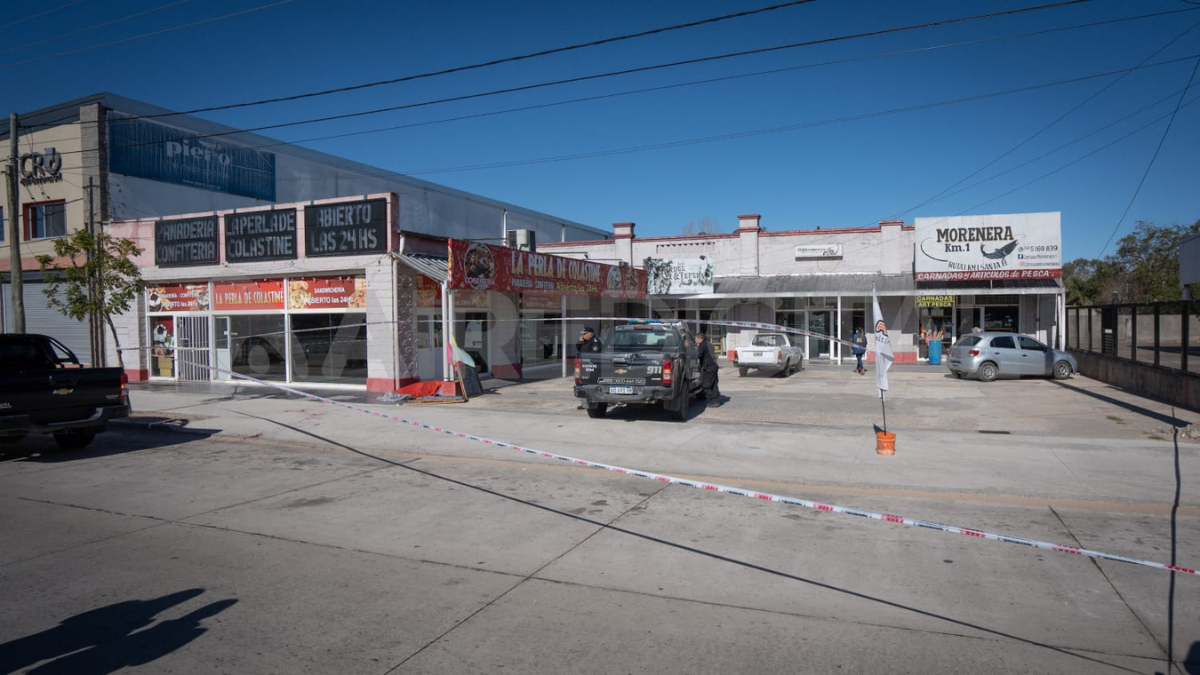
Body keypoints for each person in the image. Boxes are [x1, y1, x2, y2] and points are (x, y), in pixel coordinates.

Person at [695, 332, 722, 407]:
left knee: (705, 385)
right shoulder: (708, 344)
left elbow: (698, 355)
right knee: (714, 384)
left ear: (700, 339)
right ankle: (716, 400)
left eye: (696, 338)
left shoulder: (702, 345)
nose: (696, 340)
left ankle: (713, 399)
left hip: (708, 368)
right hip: (714, 366)